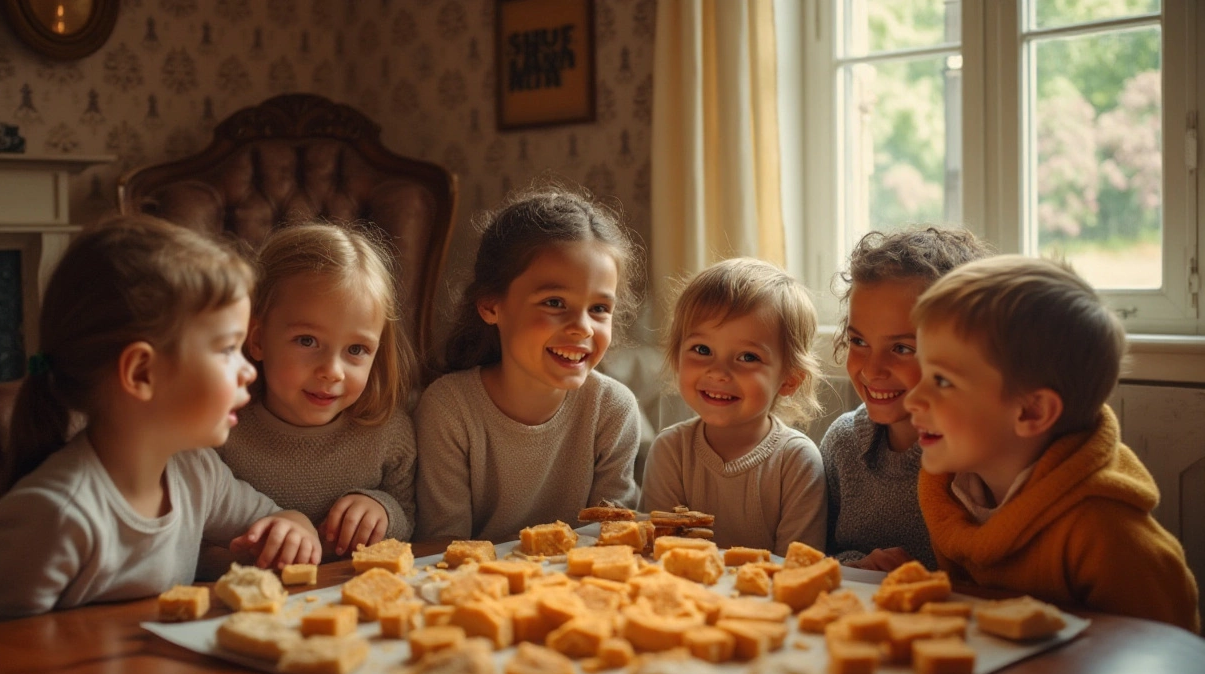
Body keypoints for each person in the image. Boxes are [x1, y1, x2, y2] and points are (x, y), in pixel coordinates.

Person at [0, 216, 321, 627]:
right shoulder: (56, 515)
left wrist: (292, 530)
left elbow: (281, 516)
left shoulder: (196, 471)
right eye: (227, 349)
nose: (249, 371)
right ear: (141, 374)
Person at [905, 256, 1200, 632]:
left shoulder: (1107, 535)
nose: (913, 398)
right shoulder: (954, 493)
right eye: (924, 373)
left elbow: (1166, 657)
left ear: (1032, 412)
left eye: (942, 381)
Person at [413, 184, 643, 542]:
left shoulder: (613, 410)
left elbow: (613, 542)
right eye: (554, 302)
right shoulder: (449, 409)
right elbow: (445, 551)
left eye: (599, 309)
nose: (582, 328)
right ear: (492, 306)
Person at [217, 223, 416, 559]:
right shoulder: (222, 431)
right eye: (307, 341)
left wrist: (382, 511)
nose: (332, 371)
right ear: (258, 339)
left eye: (356, 350)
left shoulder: (388, 434)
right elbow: (193, 543)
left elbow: (412, 524)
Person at [820, 227, 992, 571]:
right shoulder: (843, 445)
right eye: (858, 342)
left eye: (901, 348)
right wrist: (856, 567)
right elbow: (818, 554)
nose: (872, 369)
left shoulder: (980, 457)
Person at [641, 258, 827, 553]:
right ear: (677, 357)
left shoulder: (797, 462)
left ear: (789, 380)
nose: (718, 371)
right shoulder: (670, 452)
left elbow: (798, 569)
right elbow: (656, 553)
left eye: (747, 357)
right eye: (702, 350)